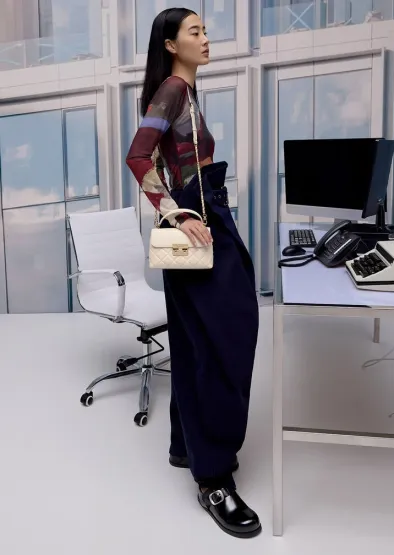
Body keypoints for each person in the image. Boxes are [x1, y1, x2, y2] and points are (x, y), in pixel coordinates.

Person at [126, 7, 261, 539]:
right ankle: (215, 479)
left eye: (206, 30)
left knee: (194, 340)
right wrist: (175, 212)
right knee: (227, 339)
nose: (206, 39)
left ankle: (189, 447)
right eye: (195, 32)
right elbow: (139, 156)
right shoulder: (173, 90)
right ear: (170, 44)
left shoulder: (185, 91)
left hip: (205, 216)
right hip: (199, 220)